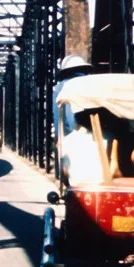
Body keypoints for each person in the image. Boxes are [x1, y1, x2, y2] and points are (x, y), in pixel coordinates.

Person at [53, 54, 94, 182]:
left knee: (71, 174)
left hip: (69, 136)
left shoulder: (59, 88)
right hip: (87, 134)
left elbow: (57, 118)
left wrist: (59, 138)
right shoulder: (86, 85)